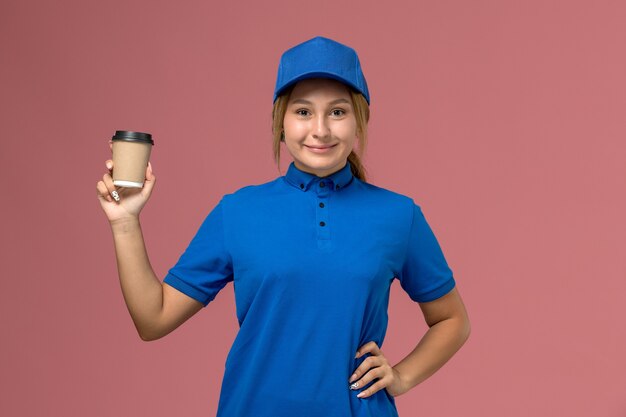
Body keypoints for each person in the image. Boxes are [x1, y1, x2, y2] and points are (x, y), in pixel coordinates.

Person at [96, 36, 470, 417]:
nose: (320, 130)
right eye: (304, 112)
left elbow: (453, 320)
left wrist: (402, 377)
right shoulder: (238, 212)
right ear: (281, 123)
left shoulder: (398, 215)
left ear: (360, 120)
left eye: (338, 112)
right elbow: (153, 318)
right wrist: (125, 222)